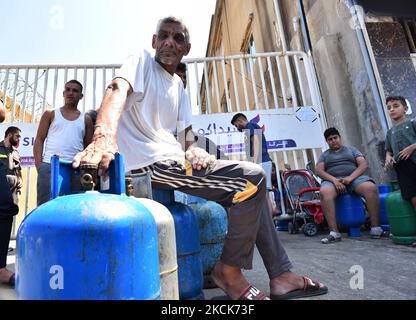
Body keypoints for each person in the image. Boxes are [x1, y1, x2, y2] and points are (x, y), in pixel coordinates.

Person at [72, 16, 328, 300]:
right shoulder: (142, 61)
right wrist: (103, 137)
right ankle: (228, 272)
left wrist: (192, 149)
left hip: (174, 161)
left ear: (186, 48)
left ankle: (281, 274)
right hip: (149, 165)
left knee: (251, 192)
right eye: (164, 36)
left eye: (177, 38)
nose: (169, 41)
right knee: (252, 177)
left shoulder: (179, 89)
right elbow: (117, 89)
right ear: (154, 42)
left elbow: (185, 136)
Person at [316, 127, 385, 243]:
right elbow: (319, 171)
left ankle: (376, 229)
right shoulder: (324, 155)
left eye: (335, 138)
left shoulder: (351, 150)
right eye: (330, 139)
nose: (333, 141)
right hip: (333, 181)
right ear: (327, 142)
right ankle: (334, 232)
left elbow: (363, 165)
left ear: (340, 138)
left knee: (370, 188)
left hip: (354, 178)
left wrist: (350, 178)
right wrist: (334, 180)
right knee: (324, 192)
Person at [33, 80, 94, 206]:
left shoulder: (86, 119)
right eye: (68, 89)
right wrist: (40, 166)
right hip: (50, 167)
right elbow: (39, 140)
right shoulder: (50, 114)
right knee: (46, 208)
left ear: (81, 96)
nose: (70, 93)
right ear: (63, 93)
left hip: (76, 169)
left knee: (74, 208)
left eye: (75, 90)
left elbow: (88, 148)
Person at [384, 96, 416, 247]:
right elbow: (388, 151)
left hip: (414, 163)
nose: (392, 109)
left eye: (395, 106)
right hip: (402, 168)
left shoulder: (413, 122)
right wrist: (388, 158)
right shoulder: (390, 133)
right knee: (414, 199)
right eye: (389, 107)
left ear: (405, 108)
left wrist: (411, 147)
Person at [231, 113, 275, 215]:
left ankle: (268, 220)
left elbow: (255, 142)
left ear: (239, 121)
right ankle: (269, 220)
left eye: (236, 125)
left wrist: (254, 163)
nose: (237, 128)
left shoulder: (250, 126)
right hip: (263, 162)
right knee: (264, 193)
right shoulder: (253, 126)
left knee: (262, 193)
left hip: (261, 162)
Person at [0, 126, 19, 287]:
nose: (19, 139)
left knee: (5, 229)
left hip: (10, 196)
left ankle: (1, 267)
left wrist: (19, 183)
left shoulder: (16, 153)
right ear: (9, 135)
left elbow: (18, 173)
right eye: (17, 136)